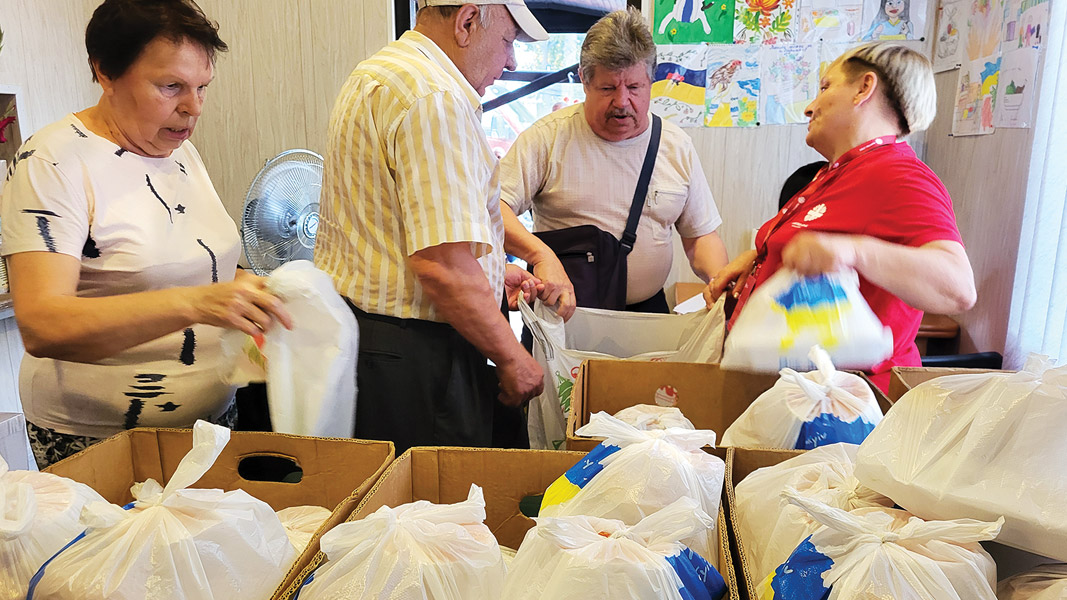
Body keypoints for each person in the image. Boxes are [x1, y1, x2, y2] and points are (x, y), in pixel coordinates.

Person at [0, 0, 292, 468]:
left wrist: (256, 291)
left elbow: (203, 263)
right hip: (103, 442)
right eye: (170, 85)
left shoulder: (178, 152)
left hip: (211, 422)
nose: (192, 107)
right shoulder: (52, 163)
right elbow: (42, 324)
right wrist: (195, 302)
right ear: (105, 72)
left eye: (201, 87)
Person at [314, 0, 550, 454]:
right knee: (434, 512)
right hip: (418, 356)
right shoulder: (435, 98)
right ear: (466, 21)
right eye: (507, 41)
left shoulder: (379, 72)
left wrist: (494, 271)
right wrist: (513, 358)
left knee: (391, 504)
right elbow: (441, 266)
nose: (512, 60)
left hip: (369, 341)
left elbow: (393, 227)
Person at [705, 42, 976, 392]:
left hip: (842, 407)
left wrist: (853, 252)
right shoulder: (836, 173)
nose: (809, 107)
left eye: (825, 88)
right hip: (787, 392)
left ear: (863, 88)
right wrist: (761, 257)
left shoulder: (898, 174)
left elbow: (957, 289)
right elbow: (819, 242)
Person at [499, 8, 729, 319]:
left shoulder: (675, 145)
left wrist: (720, 283)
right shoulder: (547, 138)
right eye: (608, 88)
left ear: (652, 80)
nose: (622, 102)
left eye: (634, 88)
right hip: (563, 314)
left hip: (648, 313)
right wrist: (539, 254)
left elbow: (700, 235)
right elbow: (494, 207)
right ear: (584, 81)